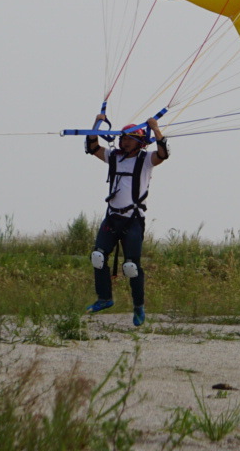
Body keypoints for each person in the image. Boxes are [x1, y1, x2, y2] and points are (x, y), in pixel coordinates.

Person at [83, 113, 169, 327]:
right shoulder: (113, 156)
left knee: (131, 266)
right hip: (112, 217)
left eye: (130, 138)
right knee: (97, 256)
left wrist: (156, 129)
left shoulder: (146, 159)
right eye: (123, 138)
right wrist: (97, 123)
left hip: (133, 220)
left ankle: (138, 306)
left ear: (139, 141)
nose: (124, 141)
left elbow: (163, 153)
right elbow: (92, 146)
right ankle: (104, 298)